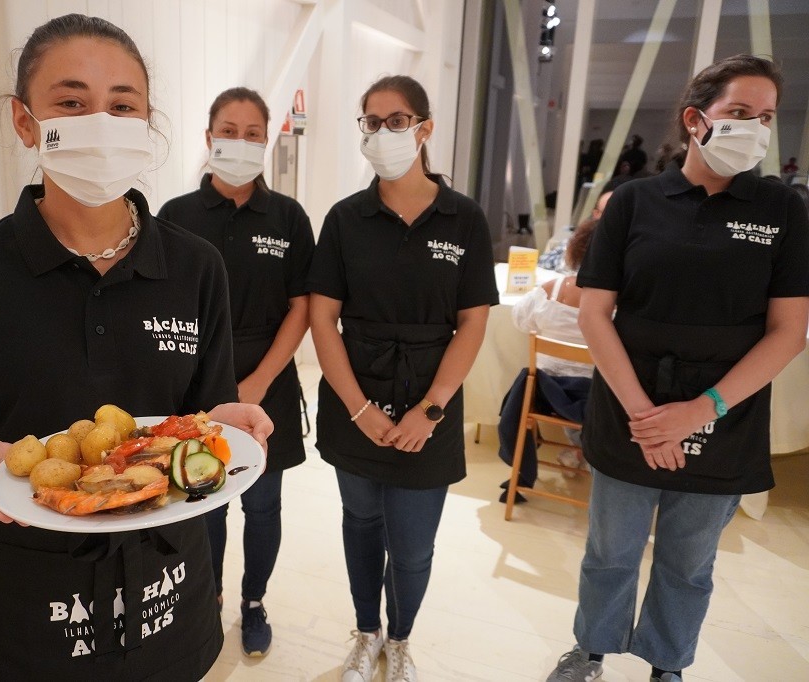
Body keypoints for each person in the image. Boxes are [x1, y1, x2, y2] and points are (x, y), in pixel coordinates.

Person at [0, 15, 271, 680]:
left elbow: (202, 419)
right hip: (25, 602)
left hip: (171, 582)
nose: (99, 122)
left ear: (147, 122)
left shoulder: (195, 267)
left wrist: (227, 427)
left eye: (122, 105)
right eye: (70, 103)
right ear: (24, 121)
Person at [546, 54, 809, 682]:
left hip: (726, 411)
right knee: (611, 550)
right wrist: (645, 415)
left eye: (766, 117)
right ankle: (591, 650)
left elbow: (788, 332)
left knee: (689, 561)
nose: (756, 127)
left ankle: (667, 663)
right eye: (740, 113)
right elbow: (593, 314)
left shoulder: (782, 211)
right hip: (630, 404)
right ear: (696, 120)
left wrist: (700, 411)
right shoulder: (635, 203)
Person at [308, 75, 498, 682]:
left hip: (428, 401)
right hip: (354, 398)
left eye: (397, 120)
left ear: (424, 128)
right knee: (361, 523)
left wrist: (432, 410)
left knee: (413, 544)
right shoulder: (345, 219)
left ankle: (401, 640)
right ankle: (366, 634)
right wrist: (362, 410)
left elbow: (472, 323)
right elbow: (321, 318)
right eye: (372, 121)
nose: (384, 132)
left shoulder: (463, 218)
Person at [157, 87, 314, 657]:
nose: (240, 142)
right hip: (197, 381)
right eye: (229, 130)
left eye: (253, 133)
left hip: (267, 377)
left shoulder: (289, 217)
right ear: (208, 138)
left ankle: (254, 600)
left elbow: (302, 308)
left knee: (264, 503)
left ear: (266, 142)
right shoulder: (176, 216)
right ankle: (209, 597)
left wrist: (257, 384)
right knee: (205, 499)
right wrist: (213, 390)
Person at [497, 216, 599, 500]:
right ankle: (588, 456)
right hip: (598, 402)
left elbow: (519, 320)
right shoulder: (621, 305)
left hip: (544, 394)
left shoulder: (551, 291)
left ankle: (569, 453)